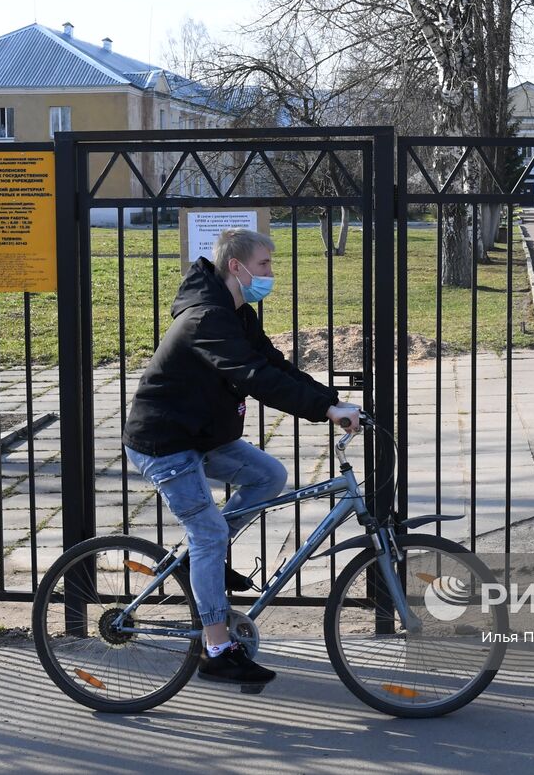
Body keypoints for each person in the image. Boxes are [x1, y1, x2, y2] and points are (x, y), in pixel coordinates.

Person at [122, 227, 361, 690]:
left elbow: (275, 365)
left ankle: (196, 563)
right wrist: (326, 410)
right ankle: (216, 649)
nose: (270, 273)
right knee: (210, 531)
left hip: (202, 435)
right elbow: (253, 376)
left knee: (269, 474)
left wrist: (331, 402)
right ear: (237, 266)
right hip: (164, 441)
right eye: (265, 264)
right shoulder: (206, 318)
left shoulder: (237, 313)